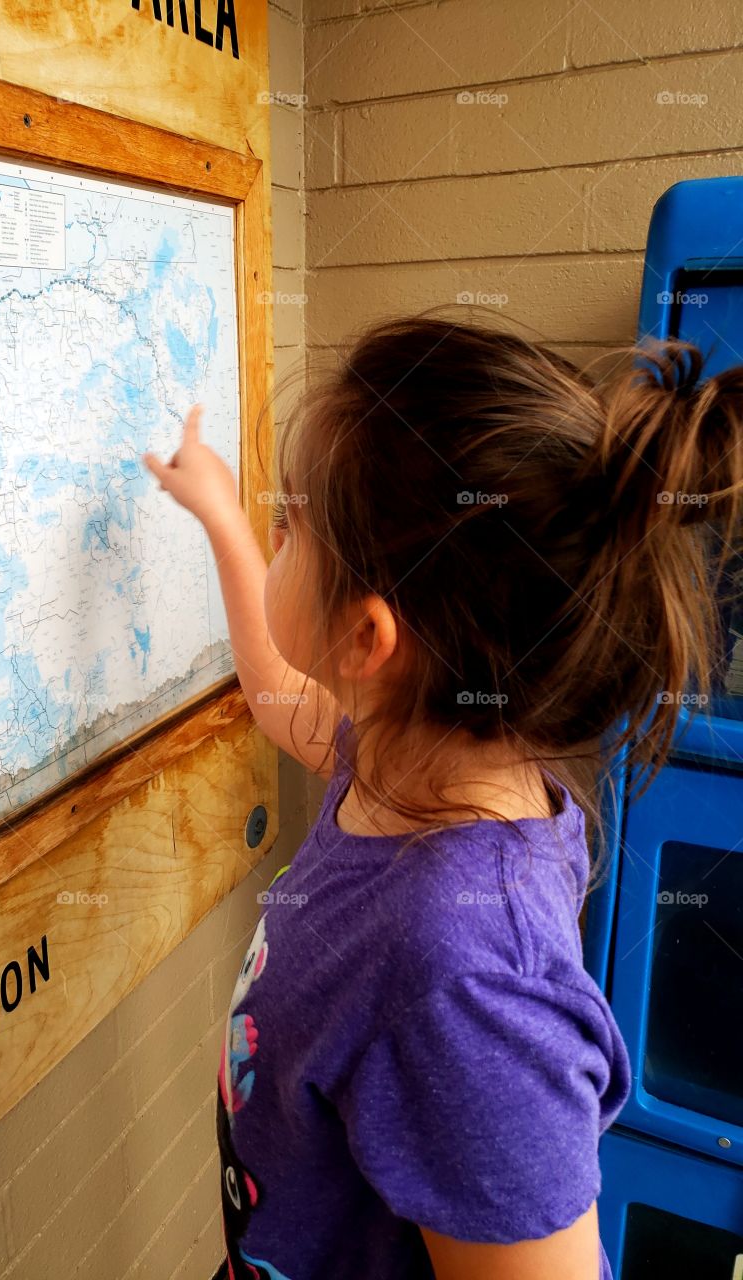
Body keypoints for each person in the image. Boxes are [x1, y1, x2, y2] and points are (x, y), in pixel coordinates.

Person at [142, 310, 743, 1280]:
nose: (276, 534)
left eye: (289, 527)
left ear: (369, 638)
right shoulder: (400, 757)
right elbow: (274, 688)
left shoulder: (461, 976)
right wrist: (218, 513)